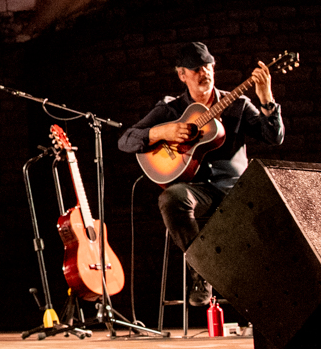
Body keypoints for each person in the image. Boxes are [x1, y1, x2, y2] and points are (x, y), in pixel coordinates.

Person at [120, 43, 283, 252]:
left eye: (207, 66)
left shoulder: (238, 104)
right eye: (196, 69)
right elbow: (125, 140)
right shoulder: (171, 109)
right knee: (171, 198)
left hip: (235, 191)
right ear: (182, 75)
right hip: (197, 192)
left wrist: (266, 99)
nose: (204, 72)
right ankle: (200, 272)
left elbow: (274, 137)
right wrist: (162, 132)